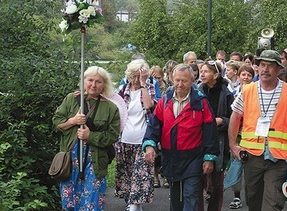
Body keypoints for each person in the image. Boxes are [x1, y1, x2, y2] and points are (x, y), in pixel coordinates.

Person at [228, 50, 287, 211]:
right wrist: (233, 145)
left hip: (278, 157)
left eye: (270, 66)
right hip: (252, 155)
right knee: (253, 199)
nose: (265, 69)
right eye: (262, 65)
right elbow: (235, 117)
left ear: (278, 69)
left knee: (273, 202)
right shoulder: (248, 90)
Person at [142, 64, 219, 211]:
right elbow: (154, 125)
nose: (180, 84)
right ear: (171, 79)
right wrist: (150, 145)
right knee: (176, 198)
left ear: (192, 80)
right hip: (171, 158)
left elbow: (210, 131)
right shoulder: (165, 101)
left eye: (184, 81)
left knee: (190, 195)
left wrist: (209, 158)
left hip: (193, 158)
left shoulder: (201, 102)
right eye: (177, 80)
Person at [53, 66, 120, 210]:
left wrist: (91, 136)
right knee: (69, 200)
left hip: (94, 161)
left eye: (98, 81)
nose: (93, 85)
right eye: (90, 80)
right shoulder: (71, 99)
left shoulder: (111, 108)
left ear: (104, 84)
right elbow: (56, 124)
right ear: (84, 81)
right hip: (70, 159)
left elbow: (113, 135)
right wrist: (73, 121)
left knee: (92, 201)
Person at [115, 59, 156, 211]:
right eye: (134, 75)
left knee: (141, 174)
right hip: (124, 140)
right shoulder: (122, 90)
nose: (136, 79)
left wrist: (144, 84)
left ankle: (133, 206)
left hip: (143, 140)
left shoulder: (148, 89)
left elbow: (148, 105)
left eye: (139, 76)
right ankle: (134, 205)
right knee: (128, 174)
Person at [198, 59, 234, 210]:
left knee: (217, 182)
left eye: (206, 71)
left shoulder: (226, 93)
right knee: (198, 181)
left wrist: (221, 121)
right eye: (201, 71)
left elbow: (233, 118)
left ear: (215, 75)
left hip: (219, 140)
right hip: (199, 139)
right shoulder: (197, 91)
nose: (202, 74)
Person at [227, 64, 255, 209]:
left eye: (249, 75)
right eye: (243, 75)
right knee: (236, 164)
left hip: (251, 135)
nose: (246, 77)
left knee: (251, 169)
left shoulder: (257, 93)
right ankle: (236, 197)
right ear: (238, 77)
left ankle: (251, 197)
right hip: (237, 135)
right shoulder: (233, 93)